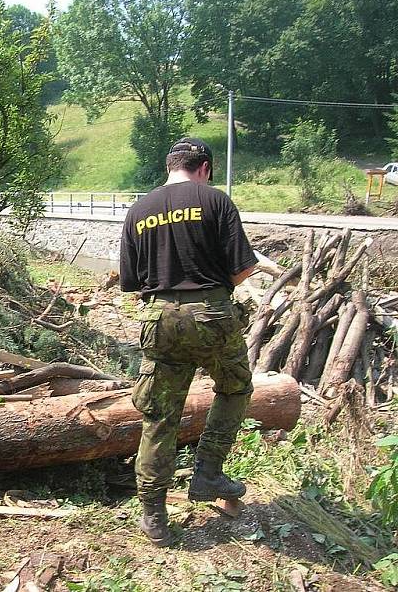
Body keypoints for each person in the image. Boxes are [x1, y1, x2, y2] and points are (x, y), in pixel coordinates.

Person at [119, 138, 258, 547]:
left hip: (159, 318)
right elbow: (243, 268)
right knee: (235, 388)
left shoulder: (138, 210)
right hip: (213, 316)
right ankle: (209, 472)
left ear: (170, 166)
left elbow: (131, 284)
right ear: (206, 168)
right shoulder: (216, 201)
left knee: (160, 415)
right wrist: (211, 294)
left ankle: (153, 515)